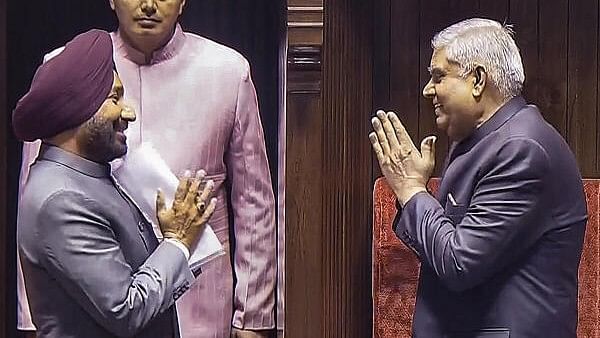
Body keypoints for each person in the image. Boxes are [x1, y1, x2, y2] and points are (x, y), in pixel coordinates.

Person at [16, 1, 277, 337]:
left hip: (204, 310)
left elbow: (254, 204)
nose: (149, 4)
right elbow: (38, 198)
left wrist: (253, 319)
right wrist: (29, 319)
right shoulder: (70, 68)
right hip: (108, 310)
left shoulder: (228, 71)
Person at [369, 18, 587, 337]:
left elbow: (458, 263)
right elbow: (445, 249)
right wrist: (414, 194)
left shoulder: (521, 150)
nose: (428, 89)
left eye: (439, 76)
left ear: (477, 80)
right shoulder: (481, 141)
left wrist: (412, 190)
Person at [13, 29, 218, 338]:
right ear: (78, 107)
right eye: (114, 98)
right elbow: (127, 310)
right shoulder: (61, 199)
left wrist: (169, 239)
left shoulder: (91, 176)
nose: (129, 112)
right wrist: (178, 241)